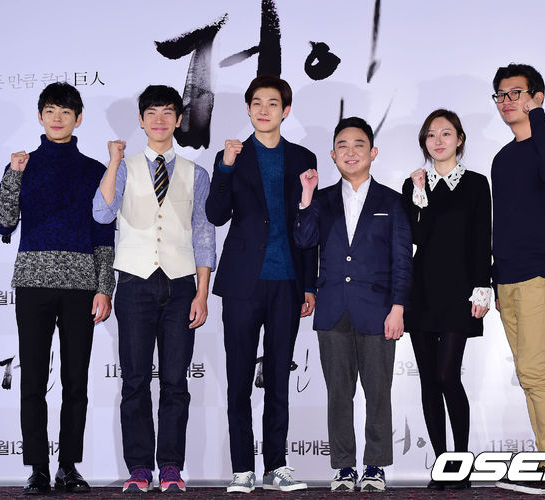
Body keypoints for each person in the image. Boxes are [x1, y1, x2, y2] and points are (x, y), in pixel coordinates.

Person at [0, 82, 115, 495]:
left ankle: (68, 467)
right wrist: (13, 175)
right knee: (32, 382)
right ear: (40, 116)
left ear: (78, 118)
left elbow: (104, 233)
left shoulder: (94, 170)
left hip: (81, 285)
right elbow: (3, 222)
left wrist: (105, 287)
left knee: (76, 381)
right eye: (50, 111)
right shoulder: (22, 165)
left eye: (65, 112)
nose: (57, 118)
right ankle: (38, 469)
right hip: (32, 283)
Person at [92, 85, 216, 493]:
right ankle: (140, 468)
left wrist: (201, 292)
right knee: (135, 381)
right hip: (134, 282)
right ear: (141, 120)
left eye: (167, 113)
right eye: (152, 113)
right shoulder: (123, 167)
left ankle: (172, 467)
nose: (159, 120)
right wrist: (113, 161)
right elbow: (102, 213)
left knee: (176, 383)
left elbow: (203, 234)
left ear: (178, 120)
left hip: (181, 285)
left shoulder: (196, 174)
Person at [205, 75, 317, 493]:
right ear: (248, 109)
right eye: (257, 103)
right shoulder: (232, 155)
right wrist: (225, 168)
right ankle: (241, 468)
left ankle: (276, 465)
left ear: (285, 111)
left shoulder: (303, 157)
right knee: (238, 379)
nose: (264, 110)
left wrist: (309, 285)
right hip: (242, 282)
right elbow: (216, 214)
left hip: (287, 281)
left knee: (277, 379)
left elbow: (309, 223)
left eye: (273, 103)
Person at [295, 117, 413, 492]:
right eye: (342, 146)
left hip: (378, 310)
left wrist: (398, 307)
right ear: (333, 154)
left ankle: (375, 465)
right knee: (338, 394)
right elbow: (304, 240)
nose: (350, 152)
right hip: (333, 308)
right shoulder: (322, 199)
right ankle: (344, 466)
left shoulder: (391, 201)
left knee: (378, 392)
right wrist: (306, 196)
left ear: (372, 152)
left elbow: (402, 260)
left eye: (358, 144)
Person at [490, 64, 545, 495]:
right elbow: (500, 223)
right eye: (501, 95)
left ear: (537, 97)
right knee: (528, 375)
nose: (507, 101)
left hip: (542, 273)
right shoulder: (502, 159)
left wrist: (537, 116)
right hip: (508, 279)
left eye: (516, 93)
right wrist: (495, 280)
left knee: (534, 370)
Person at [401, 109, 491, 490]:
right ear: (424, 142)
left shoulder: (476, 184)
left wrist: (483, 287)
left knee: (446, 376)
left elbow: (482, 238)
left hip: (459, 292)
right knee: (428, 381)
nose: (438, 141)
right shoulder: (413, 184)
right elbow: (415, 237)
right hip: (421, 292)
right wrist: (419, 194)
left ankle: (460, 462)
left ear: (459, 139)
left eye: (446, 133)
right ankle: (441, 465)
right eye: (431, 135)